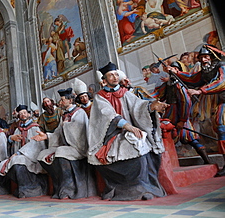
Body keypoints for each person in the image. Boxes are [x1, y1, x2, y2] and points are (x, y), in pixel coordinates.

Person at [88, 62, 169, 201]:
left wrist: (151, 106)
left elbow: (139, 106)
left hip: (131, 130)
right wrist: (128, 127)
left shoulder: (125, 93)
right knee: (130, 146)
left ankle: (145, 187)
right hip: (111, 134)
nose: (114, 77)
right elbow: (107, 115)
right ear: (104, 80)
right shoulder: (99, 96)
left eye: (115, 74)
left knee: (142, 145)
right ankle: (128, 189)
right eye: (110, 75)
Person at [167, 44, 225, 176]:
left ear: (212, 57)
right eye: (202, 57)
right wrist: (178, 73)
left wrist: (200, 91)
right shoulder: (205, 71)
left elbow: (222, 82)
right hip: (222, 102)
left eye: (206, 57)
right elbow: (193, 79)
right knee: (221, 128)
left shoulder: (222, 66)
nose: (204, 60)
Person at [33, 88, 96, 199]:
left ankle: (70, 189)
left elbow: (79, 130)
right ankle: (59, 186)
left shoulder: (79, 112)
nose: (60, 102)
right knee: (42, 154)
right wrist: (47, 136)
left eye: (62, 100)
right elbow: (57, 132)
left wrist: (66, 125)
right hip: (68, 147)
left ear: (70, 100)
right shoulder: (65, 115)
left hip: (78, 147)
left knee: (60, 151)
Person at [157, 62, 210, 164]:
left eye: (175, 69)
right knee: (166, 136)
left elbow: (185, 102)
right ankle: (168, 163)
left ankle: (207, 160)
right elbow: (160, 96)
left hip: (180, 114)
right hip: (169, 113)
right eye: (171, 69)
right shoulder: (167, 84)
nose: (172, 71)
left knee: (190, 137)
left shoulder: (180, 85)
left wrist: (182, 120)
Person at [0, 104, 47, 198]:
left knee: (17, 161)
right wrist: (10, 139)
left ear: (29, 114)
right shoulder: (17, 129)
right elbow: (11, 143)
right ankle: (22, 187)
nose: (23, 115)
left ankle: (30, 188)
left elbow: (36, 144)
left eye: (24, 113)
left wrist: (19, 153)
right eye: (20, 114)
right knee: (5, 165)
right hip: (20, 157)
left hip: (32, 158)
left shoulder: (35, 127)